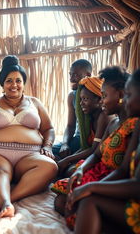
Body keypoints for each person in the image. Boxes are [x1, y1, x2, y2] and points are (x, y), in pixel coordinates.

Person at [0, 55, 57, 218]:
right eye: (9, 80)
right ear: (2, 84)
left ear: (23, 83)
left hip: (29, 155)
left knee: (50, 167)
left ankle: (11, 197)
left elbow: (48, 128)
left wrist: (47, 146)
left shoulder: (35, 103)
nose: (14, 85)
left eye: (18, 80)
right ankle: (5, 204)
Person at [55, 66, 138, 228]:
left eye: (104, 96)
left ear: (121, 96)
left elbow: (124, 172)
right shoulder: (113, 123)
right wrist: (82, 169)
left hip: (112, 179)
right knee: (61, 200)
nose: (101, 102)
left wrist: (92, 187)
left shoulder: (133, 127)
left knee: (76, 204)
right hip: (101, 175)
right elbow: (97, 154)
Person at [55, 76, 113, 177]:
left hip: (101, 159)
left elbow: (94, 150)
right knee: (57, 160)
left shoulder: (104, 116)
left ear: (99, 99)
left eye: (85, 99)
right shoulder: (89, 118)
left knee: (70, 171)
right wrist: (67, 159)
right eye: (81, 99)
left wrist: (68, 160)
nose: (81, 103)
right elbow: (86, 147)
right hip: (92, 156)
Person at [52, 59, 92, 159]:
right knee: (48, 150)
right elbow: (70, 126)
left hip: (91, 142)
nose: (71, 79)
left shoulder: (96, 96)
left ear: (88, 75)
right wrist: (65, 144)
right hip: (78, 139)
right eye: (70, 75)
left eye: (75, 75)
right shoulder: (72, 96)